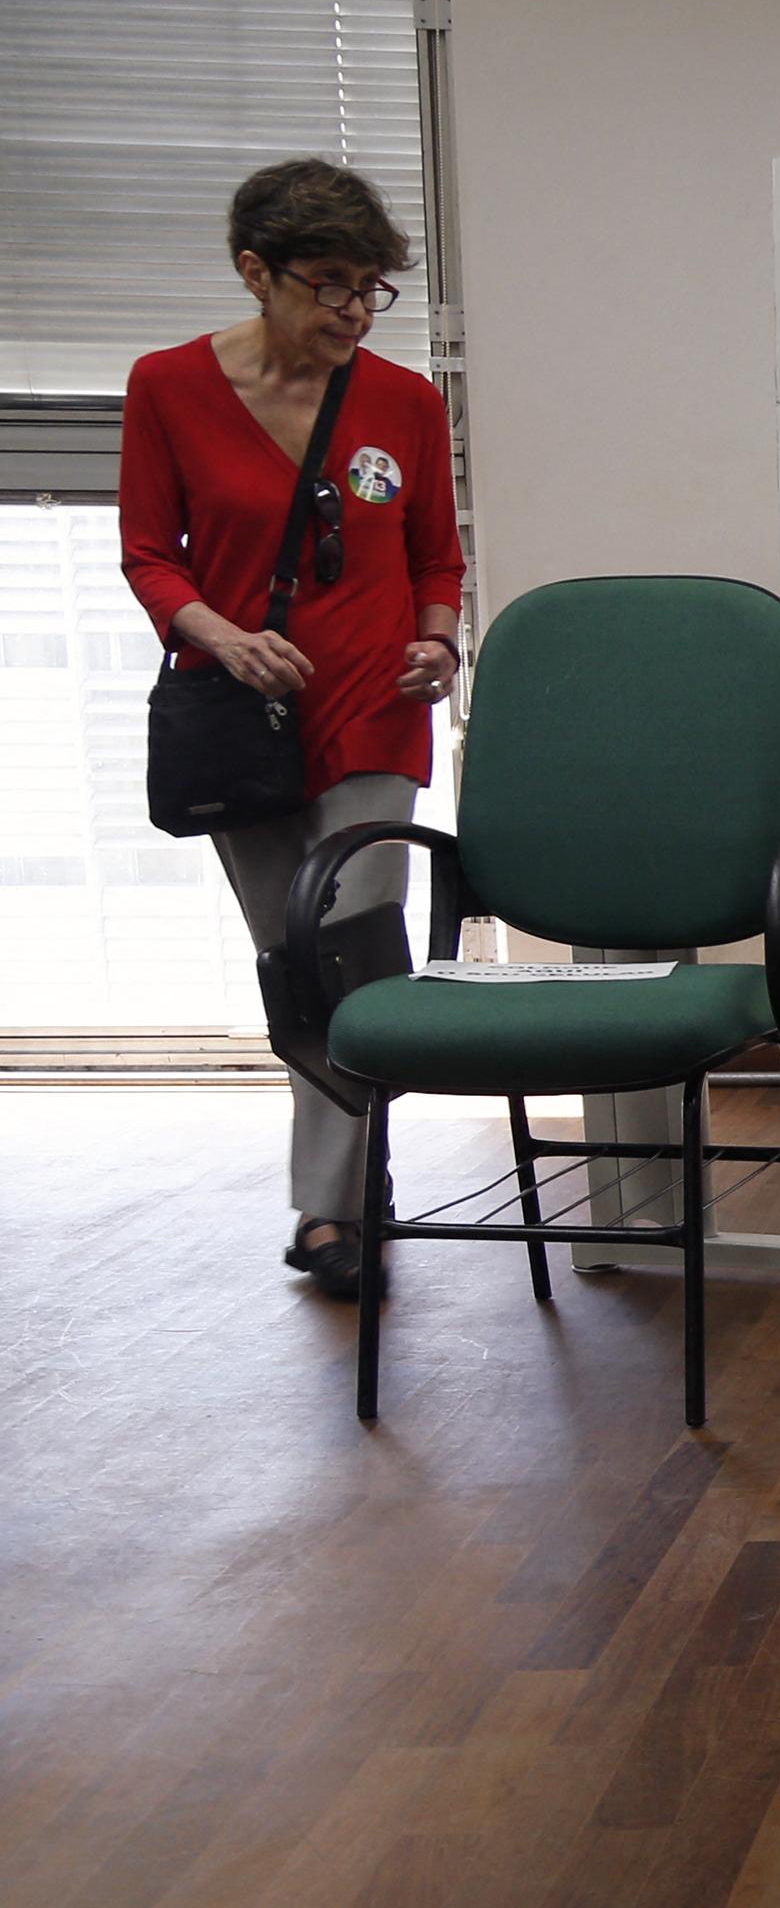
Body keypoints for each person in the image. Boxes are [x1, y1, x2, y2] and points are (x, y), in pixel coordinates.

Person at [119, 158, 464, 1304]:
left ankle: (328, 1208)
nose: (353, 314)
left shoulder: (405, 402)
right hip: (242, 714)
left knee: (351, 950)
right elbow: (149, 555)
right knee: (292, 964)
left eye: (371, 290)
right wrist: (218, 633)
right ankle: (357, 1171)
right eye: (329, 286)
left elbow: (434, 554)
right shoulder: (167, 387)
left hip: (373, 703)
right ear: (254, 272)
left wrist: (437, 640)